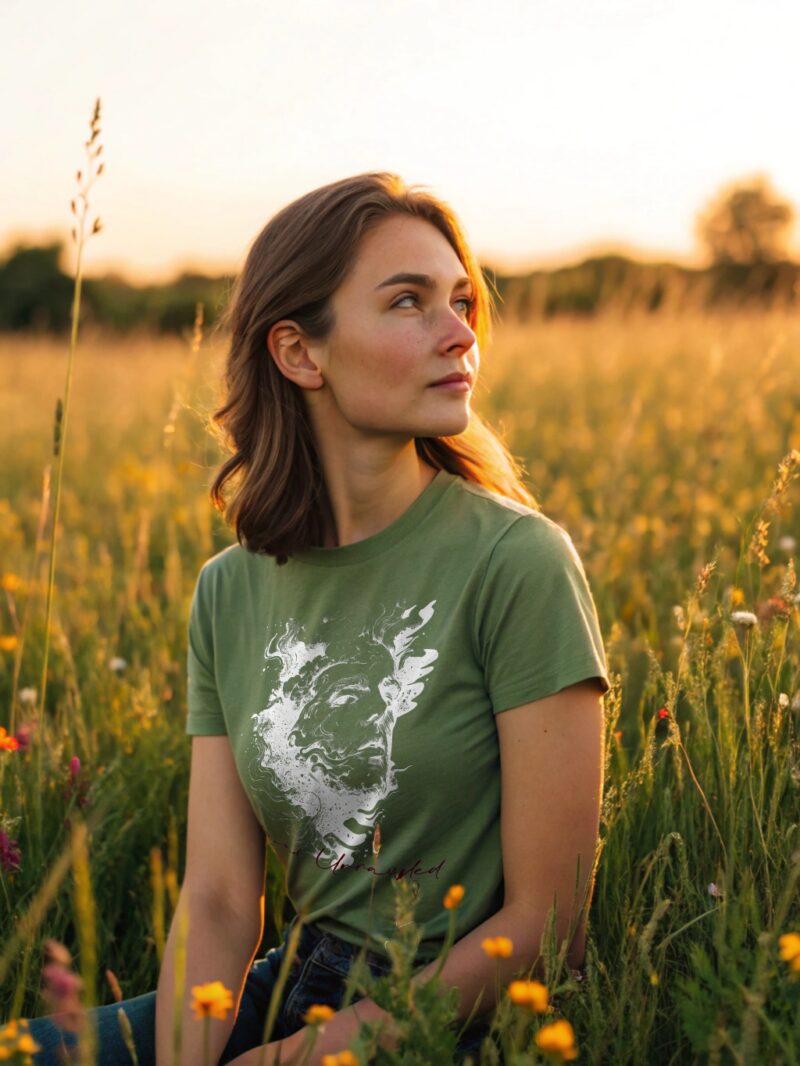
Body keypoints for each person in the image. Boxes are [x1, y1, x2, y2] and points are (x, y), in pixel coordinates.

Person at [29, 172, 610, 1065]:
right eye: (410, 303)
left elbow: (548, 926)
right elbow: (222, 899)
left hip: (453, 1016)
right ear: (300, 353)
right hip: (288, 983)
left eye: (462, 301)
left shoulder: (516, 564)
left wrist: (311, 1056)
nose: (460, 334)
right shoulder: (229, 591)